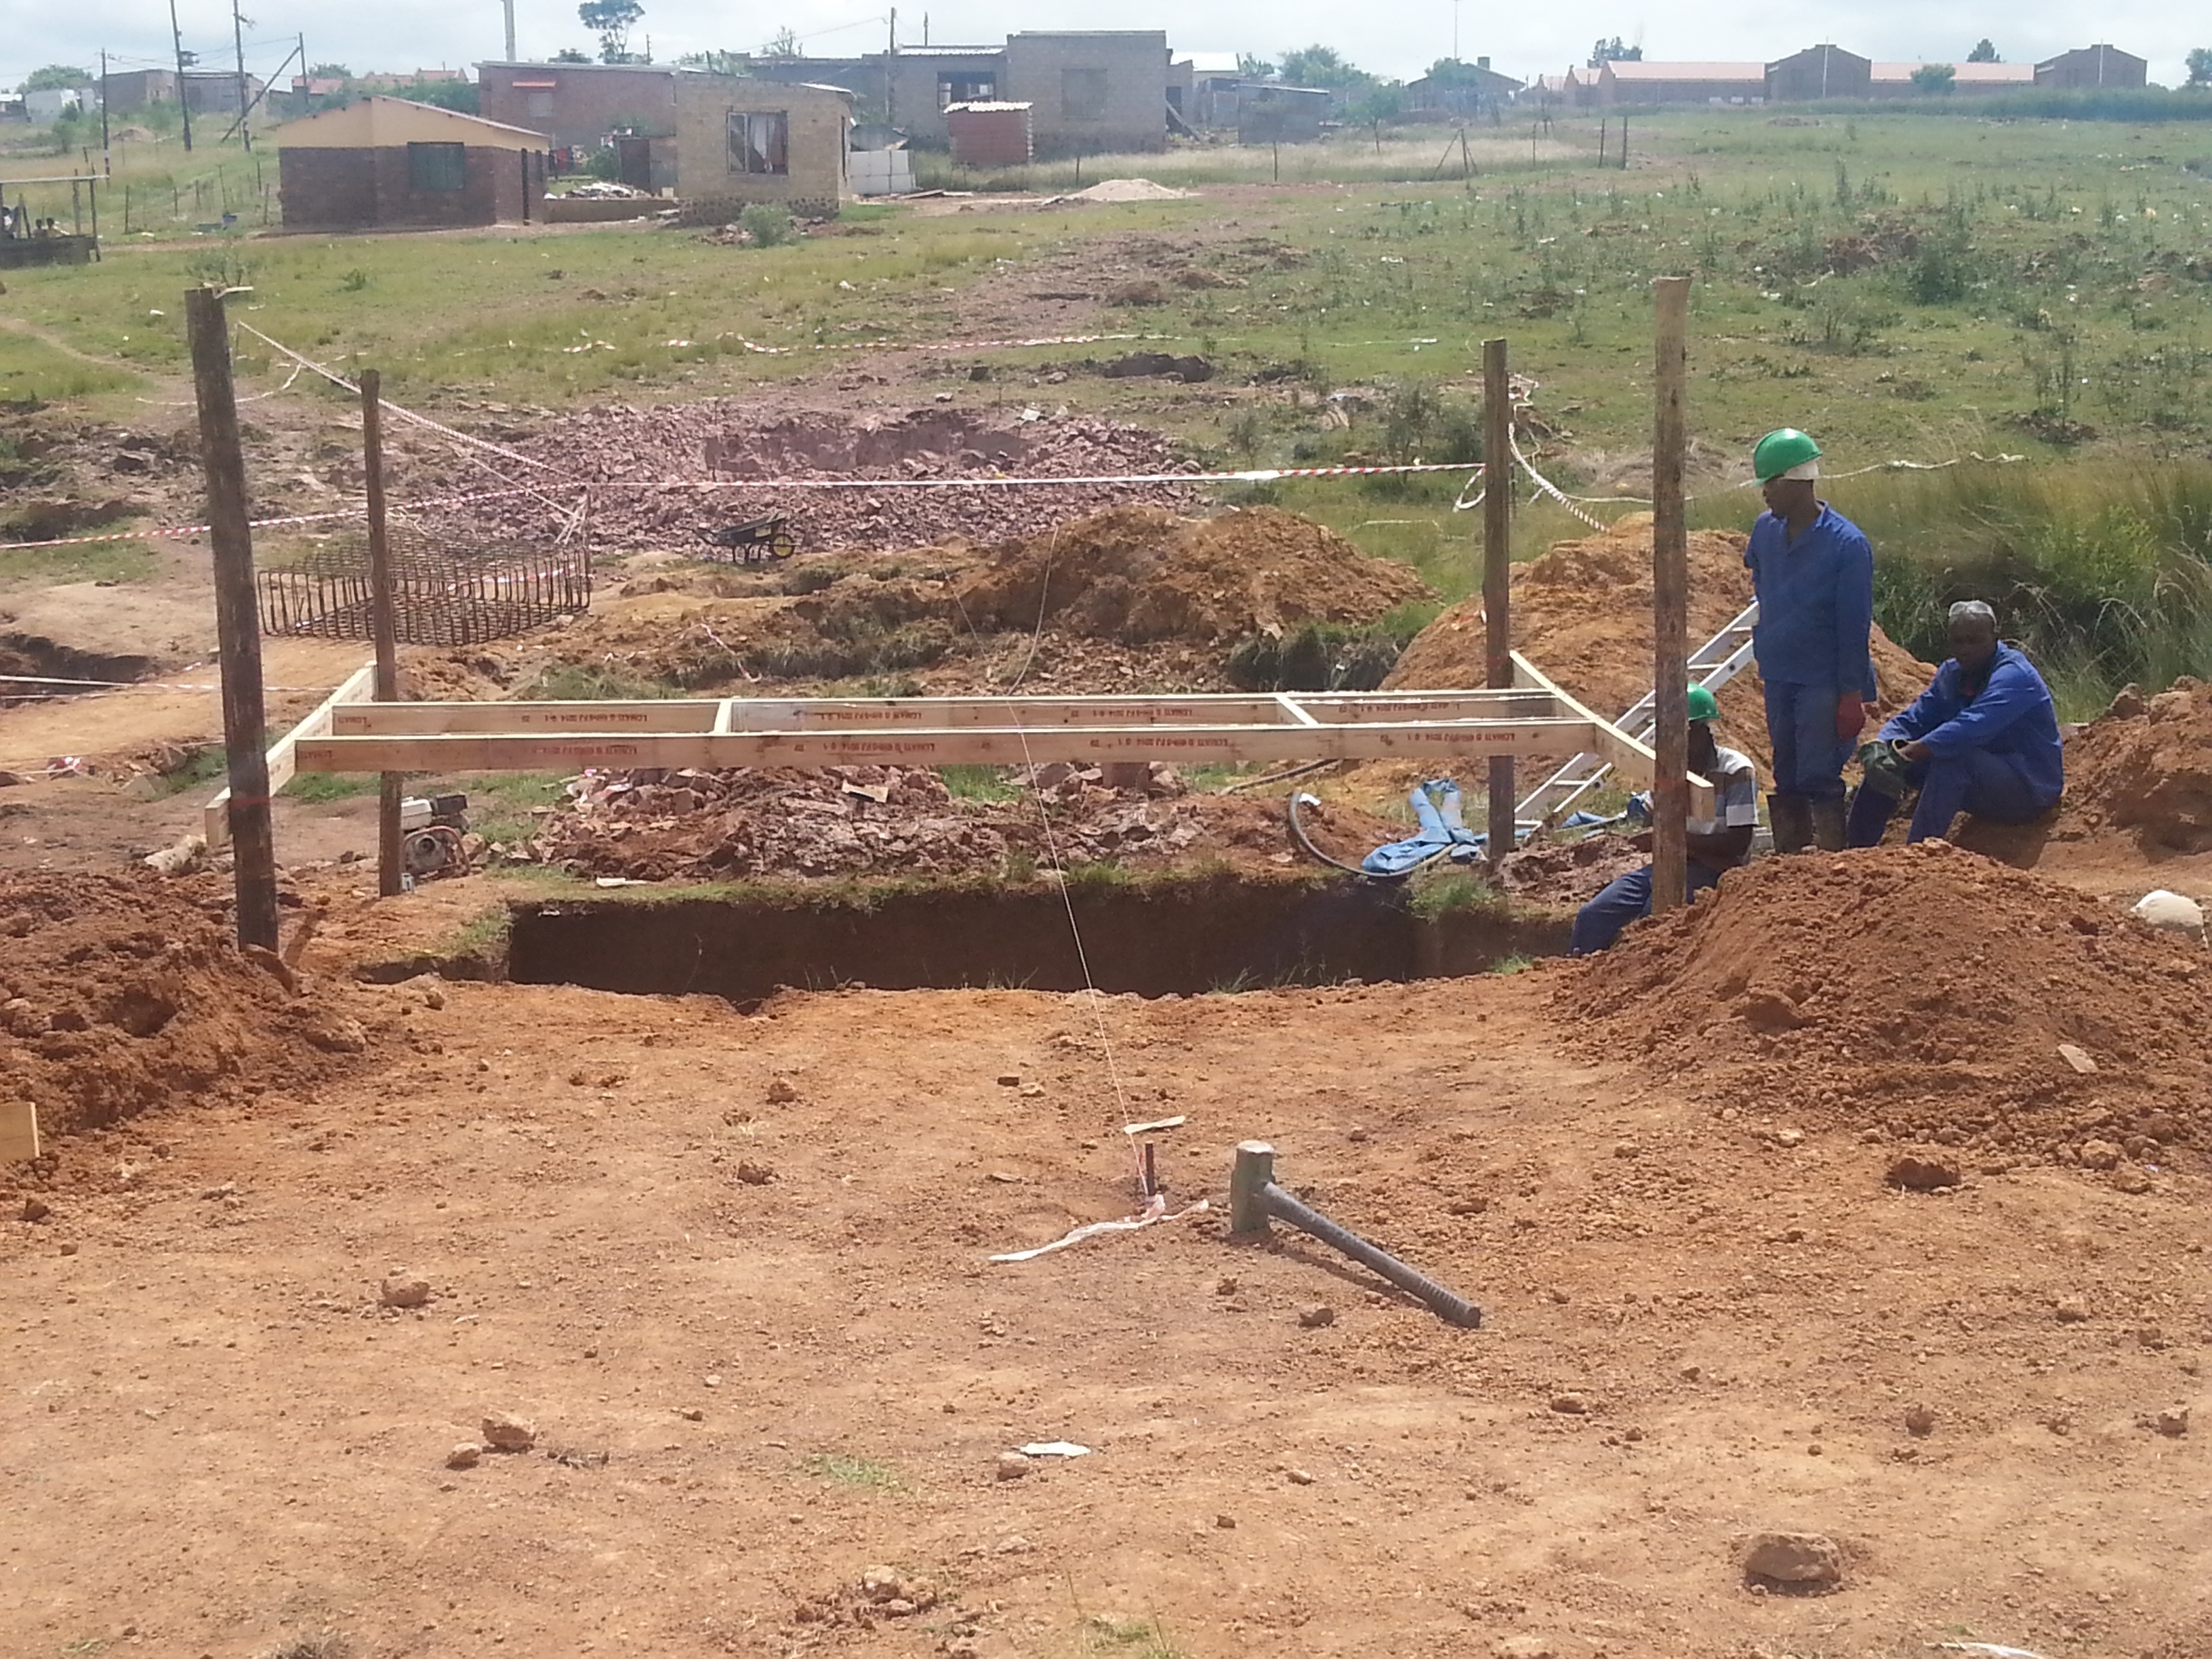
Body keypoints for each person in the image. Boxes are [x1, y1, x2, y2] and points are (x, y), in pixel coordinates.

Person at [1744, 428, 1875, 855]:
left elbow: (1853, 626)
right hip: (1780, 672)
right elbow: (1761, 579)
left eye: (1771, 484)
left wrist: (1852, 695)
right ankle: (1791, 863)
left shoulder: (1847, 545)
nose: (1765, 493)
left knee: (1819, 772)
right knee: (1786, 771)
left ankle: (1831, 863)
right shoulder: (1766, 532)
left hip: (1823, 678)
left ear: (1797, 482)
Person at [1846, 599, 2063, 847]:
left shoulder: (2015, 675)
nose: (1966, 649)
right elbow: (1916, 717)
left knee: (1954, 758)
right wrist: (1884, 744)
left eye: (1974, 640)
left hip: (2027, 789)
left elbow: (1970, 728)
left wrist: (1907, 752)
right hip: (1984, 782)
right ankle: (1855, 851)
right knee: (1884, 765)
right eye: (1958, 641)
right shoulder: (1951, 674)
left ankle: (1917, 852)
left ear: (1995, 636)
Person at [1570, 684, 1759, 955]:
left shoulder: (1736, 770)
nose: (1671, 741)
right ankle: (1575, 978)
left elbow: (1738, 844)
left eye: (1680, 733)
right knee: (1593, 915)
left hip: (1715, 870)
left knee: (1654, 918)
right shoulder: (1669, 765)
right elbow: (1651, 820)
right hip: (1668, 862)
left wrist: (1673, 840)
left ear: (1702, 733)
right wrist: (1666, 800)